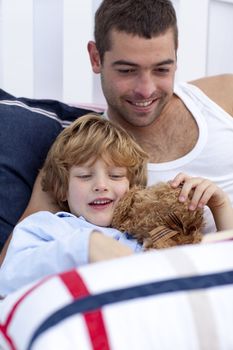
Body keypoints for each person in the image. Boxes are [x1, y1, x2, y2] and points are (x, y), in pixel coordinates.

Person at [1, 0, 233, 263]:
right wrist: (85, 246)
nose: (146, 90)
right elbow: (12, 267)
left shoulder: (222, 96)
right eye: (127, 70)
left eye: (161, 69)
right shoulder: (82, 158)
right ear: (96, 57)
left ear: (176, 55)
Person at [0, 113, 233, 297]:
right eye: (84, 176)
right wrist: (87, 246)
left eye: (115, 175)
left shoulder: (151, 236)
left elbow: (218, 270)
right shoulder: (46, 227)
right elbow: (8, 278)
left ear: (133, 187)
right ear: (62, 188)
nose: (101, 185)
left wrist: (220, 206)